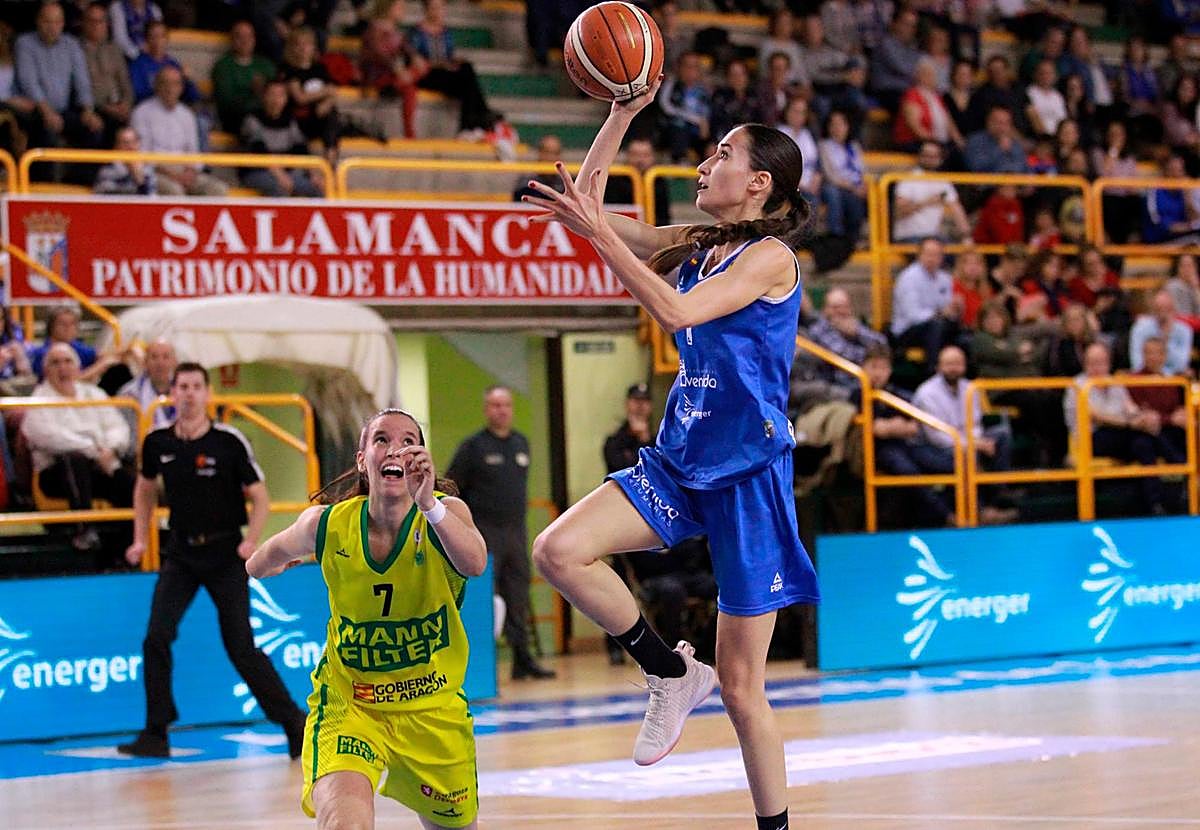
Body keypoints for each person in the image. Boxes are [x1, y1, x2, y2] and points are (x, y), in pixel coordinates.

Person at [521, 76, 819, 830]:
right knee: (557, 550)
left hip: (747, 473)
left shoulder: (771, 260)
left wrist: (602, 231)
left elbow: (674, 309)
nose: (702, 164)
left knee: (747, 690)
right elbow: (590, 205)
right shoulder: (696, 245)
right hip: (681, 460)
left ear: (757, 183)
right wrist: (621, 111)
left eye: (721, 155)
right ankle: (668, 670)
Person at [246, 408, 487, 830]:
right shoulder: (327, 525)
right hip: (351, 704)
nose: (396, 448)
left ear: (422, 459)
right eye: (381, 439)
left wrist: (428, 503)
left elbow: (475, 562)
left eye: (409, 440)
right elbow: (257, 564)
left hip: (431, 708)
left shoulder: (445, 516)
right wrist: (279, 560)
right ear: (362, 459)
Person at [118, 363, 307, 758]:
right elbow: (144, 490)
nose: (188, 393)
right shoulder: (157, 443)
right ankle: (156, 731)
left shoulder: (229, 441)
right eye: (181, 386)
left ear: (207, 393)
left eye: (195, 386)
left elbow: (261, 497)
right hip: (182, 553)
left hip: (225, 553)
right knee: (156, 636)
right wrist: (139, 538)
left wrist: (251, 541)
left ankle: (295, 722)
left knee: (240, 646)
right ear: (172, 392)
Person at [447, 385, 554, 680]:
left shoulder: (521, 444)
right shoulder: (473, 447)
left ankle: (523, 660)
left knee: (517, 596)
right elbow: (451, 488)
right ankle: (480, 665)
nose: (501, 410)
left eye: (505, 405)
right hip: (484, 534)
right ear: (486, 409)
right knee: (485, 600)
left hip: (516, 533)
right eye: (495, 405)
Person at [21, 342, 133, 552]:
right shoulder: (39, 400)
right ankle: (85, 530)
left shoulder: (94, 394)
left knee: (127, 480)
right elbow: (51, 438)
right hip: (56, 472)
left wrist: (110, 449)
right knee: (73, 460)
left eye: (67, 362)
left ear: (78, 367)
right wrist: (93, 450)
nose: (62, 368)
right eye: (55, 363)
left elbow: (117, 427)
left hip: (100, 464)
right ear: (46, 371)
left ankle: (133, 542)